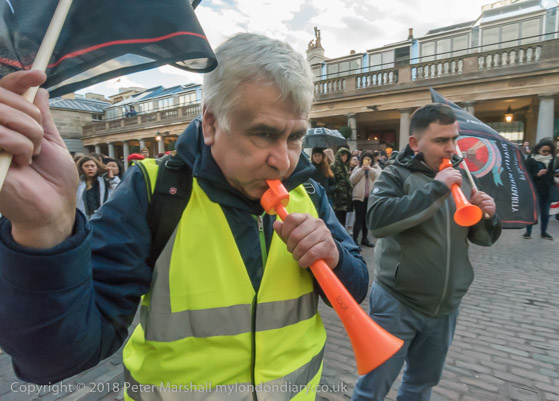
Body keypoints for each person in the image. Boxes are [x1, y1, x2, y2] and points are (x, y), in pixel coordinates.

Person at [0, 33, 368, 400]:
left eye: (295, 137)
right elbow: (55, 358)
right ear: (210, 123)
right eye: (263, 134)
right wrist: (44, 230)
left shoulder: (308, 192)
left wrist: (335, 257)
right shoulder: (156, 190)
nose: (283, 161)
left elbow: (355, 289)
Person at [351, 103, 501, 401]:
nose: (451, 148)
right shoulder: (396, 174)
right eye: (441, 140)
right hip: (397, 303)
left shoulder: (463, 176)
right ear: (415, 143)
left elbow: (484, 240)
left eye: (454, 139)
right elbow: (378, 222)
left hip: (445, 308)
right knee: (372, 389)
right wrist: (435, 189)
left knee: (420, 387)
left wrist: (489, 217)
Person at [523, 139, 559, 239]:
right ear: (538, 150)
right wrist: (537, 174)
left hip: (547, 190)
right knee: (532, 211)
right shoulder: (531, 160)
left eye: (548, 151)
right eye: (544, 151)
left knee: (545, 213)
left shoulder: (553, 160)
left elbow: (558, 171)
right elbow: (525, 174)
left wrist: (558, 173)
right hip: (534, 190)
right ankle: (528, 232)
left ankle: (544, 232)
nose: (546, 153)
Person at [349, 151, 380, 248]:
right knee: (359, 218)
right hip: (358, 198)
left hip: (370, 198)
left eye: (369, 159)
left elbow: (380, 178)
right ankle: (354, 240)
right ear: (362, 160)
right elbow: (352, 180)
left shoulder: (376, 168)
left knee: (367, 220)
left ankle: (364, 239)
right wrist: (361, 170)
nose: (367, 161)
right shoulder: (357, 168)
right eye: (365, 159)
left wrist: (370, 169)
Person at [330, 147, 353, 226]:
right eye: (342, 155)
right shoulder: (333, 167)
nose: (344, 158)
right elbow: (331, 181)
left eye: (346, 156)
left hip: (346, 198)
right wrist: (337, 188)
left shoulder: (345, 167)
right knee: (338, 220)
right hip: (337, 199)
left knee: (343, 220)